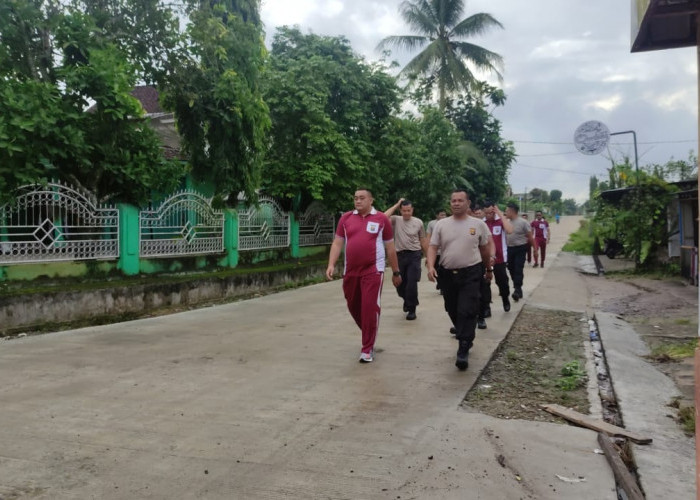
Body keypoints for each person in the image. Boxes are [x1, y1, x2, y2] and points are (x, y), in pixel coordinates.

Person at [326, 188, 401, 363]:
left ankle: (367, 349)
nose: (358, 201)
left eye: (362, 198)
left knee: (369, 307)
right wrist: (331, 264)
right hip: (351, 271)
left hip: (373, 270)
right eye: (355, 198)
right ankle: (370, 330)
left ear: (371, 200)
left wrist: (396, 271)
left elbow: (390, 247)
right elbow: (338, 243)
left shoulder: (381, 219)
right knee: (353, 305)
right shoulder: (346, 218)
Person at [426, 189, 495, 371]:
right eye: (453, 201)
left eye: (460, 200)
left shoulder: (478, 224)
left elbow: (485, 249)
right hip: (447, 273)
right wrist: (431, 266)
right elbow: (433, 247)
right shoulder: (442, 225)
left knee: (467, 309)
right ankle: (465, 334)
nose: (456, 203)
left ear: (468, 203)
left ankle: (463, 347)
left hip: (471, 272)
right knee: (452, 308)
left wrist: (488, 269)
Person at [384, 198, 428, 320]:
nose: (406, 213)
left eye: (409, 210)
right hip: (400, 256)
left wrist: (429, 257)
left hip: (414, 255)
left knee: (412, 283)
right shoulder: (396, 220)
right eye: (404, 211)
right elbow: (383, 216)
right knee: (400, 285)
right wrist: (397, 203)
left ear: (412, 210)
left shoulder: (418, 222)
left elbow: (423, 240)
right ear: (400, 211)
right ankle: (406, 300)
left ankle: (412, 309)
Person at [481, 201, 514, 317]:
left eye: (491, 212)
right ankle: (486, 307)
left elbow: (510, 230)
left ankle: (505, 298)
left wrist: (500, 214)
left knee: (502, 282)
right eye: (487, 213)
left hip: (500, 258)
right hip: (485, 258)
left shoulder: (500, 221)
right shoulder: (481, 223)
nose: (489, 215)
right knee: (485, 283)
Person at [505, 202, 535, 302]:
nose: (505, 212)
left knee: (518, 268)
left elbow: (530, 237)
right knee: (511, 268)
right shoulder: (506, 222)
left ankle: (517, 290)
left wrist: (535, 249)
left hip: (520, 248)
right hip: (509, 248)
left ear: (512, 211)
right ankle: (518, 287)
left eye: (507, 210)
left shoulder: (523, 222)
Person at [426, 209, 447, 293]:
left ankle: (443, 286)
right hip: (435, 251)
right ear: (437, 216)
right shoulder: (432, 224)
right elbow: (428, 236)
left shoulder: (448, 223)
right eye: (441, 215)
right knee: (436, 268)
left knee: (443, 269)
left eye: (444, 215)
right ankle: (440, 282)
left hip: (444, 251)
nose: (443, 217)